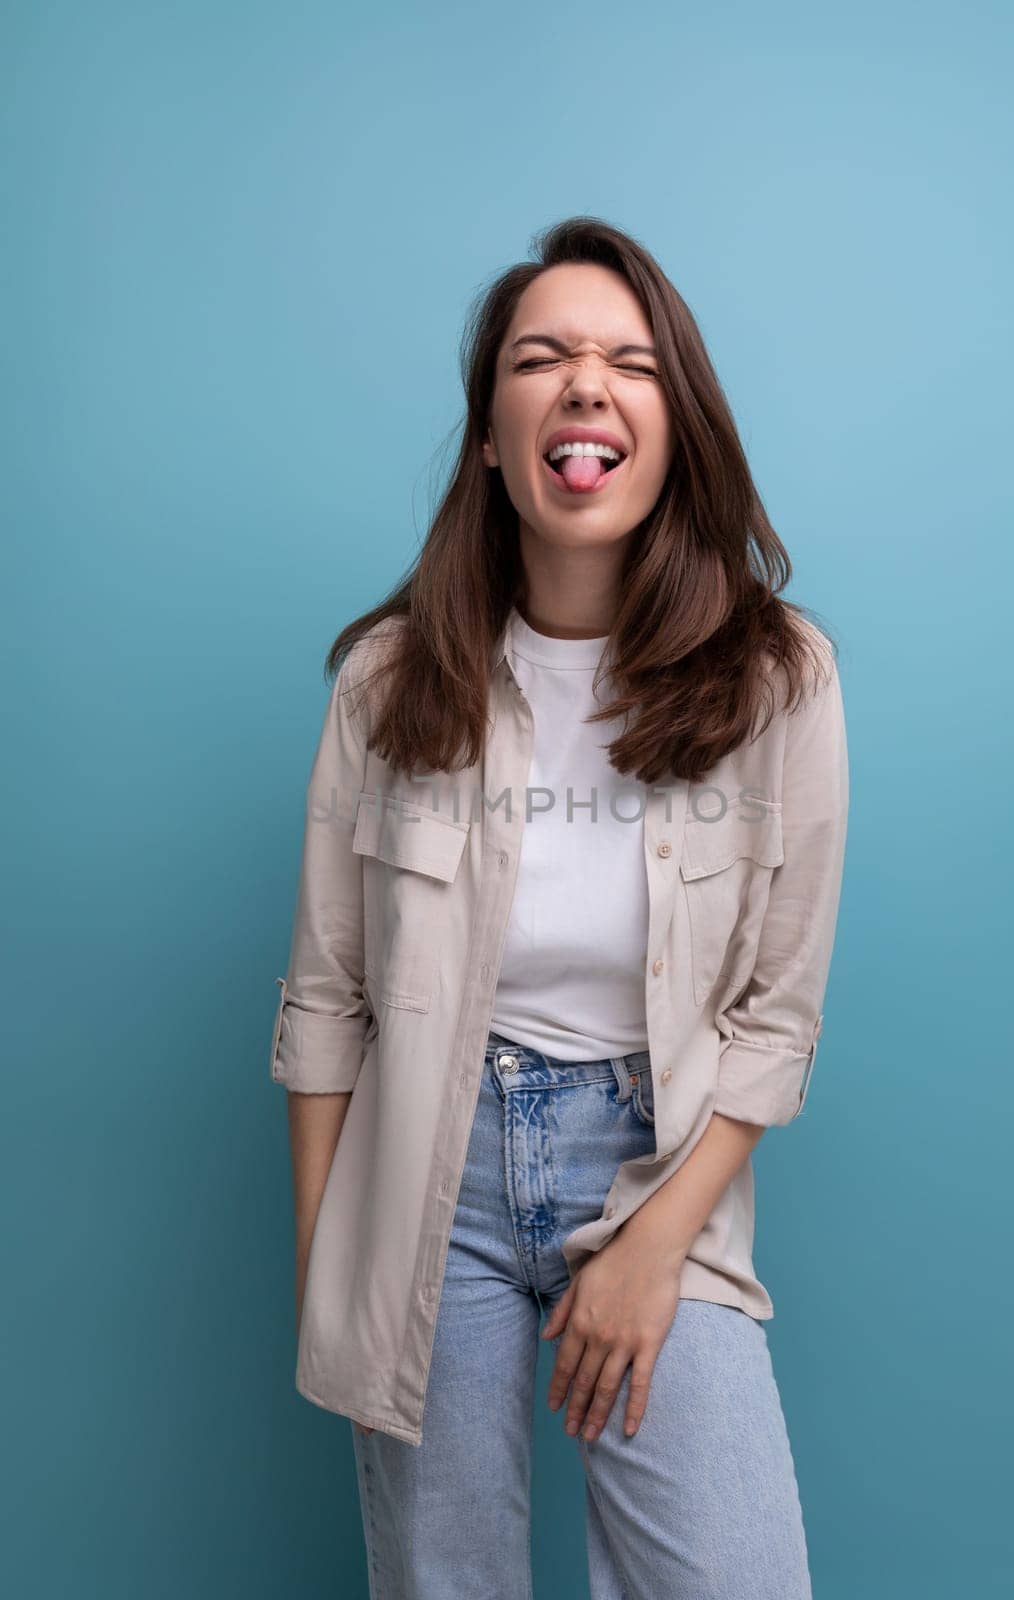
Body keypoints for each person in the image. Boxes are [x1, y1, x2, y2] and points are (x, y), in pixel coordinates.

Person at [270, 216, 849, 1599]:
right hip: (427, 1177)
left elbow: (777, 1019)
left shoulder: (779, 680)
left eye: (628, 364)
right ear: (489, 434)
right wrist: (332, 1272)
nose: (585, 385)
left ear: (674, 426)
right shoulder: (386, 682)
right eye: (541, 357)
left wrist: (653, 1247)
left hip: (658, 1166)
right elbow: (325, 1001)